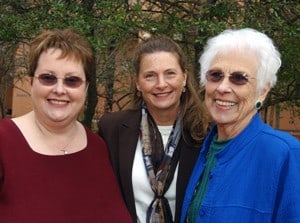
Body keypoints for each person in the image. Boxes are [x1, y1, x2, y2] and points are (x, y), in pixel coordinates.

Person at [0, 28, 132, 223]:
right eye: (48, 78)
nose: (59, 90)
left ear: (86, 88)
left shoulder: (98, 147)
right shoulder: (4, 142)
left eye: (72, 81)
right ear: (31, 82)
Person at [180, 28, 300, 223]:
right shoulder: (201, 149)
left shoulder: (284, 154)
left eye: (239, 78)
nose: (223, 88)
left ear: (262, 91)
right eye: (215, 75)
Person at [98, 35, 208, 223]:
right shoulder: (112, 129)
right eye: (150, 76)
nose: (161, 84)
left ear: (184, 77)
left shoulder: (206, 133)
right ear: (138, 83)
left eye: (170, 73)